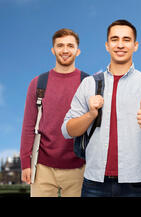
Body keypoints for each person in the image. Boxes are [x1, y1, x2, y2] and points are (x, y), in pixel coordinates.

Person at [61, 19, 141, 197]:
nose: (120, 45)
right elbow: (67, 130)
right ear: (107, 45)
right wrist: (91, 114)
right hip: (94, 183)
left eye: (126, 39)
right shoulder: (89, 84)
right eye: (115, 39)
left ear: (135, 45)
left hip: (135, 184)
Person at [20, 28, 86, 197]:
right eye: (60, 45)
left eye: (70, 46)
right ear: (53, 50)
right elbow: (28, 125)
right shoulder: (38, 83)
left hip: (79, 167)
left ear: (77, 51)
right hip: (42, 167)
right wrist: (25, 163)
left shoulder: (88, 83)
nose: (65, 50)